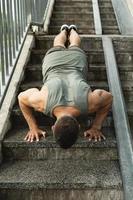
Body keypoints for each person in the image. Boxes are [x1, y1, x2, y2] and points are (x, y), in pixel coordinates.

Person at [18, 24, 113, 149]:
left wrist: (96, 127)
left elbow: (109, 97)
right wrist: (33, 128)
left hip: (76, 61)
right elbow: (21, 98)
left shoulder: (90, 104)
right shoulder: (42, 102)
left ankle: (70, 30)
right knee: (58, 45)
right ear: (53, 128)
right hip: (53, 63)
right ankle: (66, 29)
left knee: (74, 45)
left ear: (79, 127)